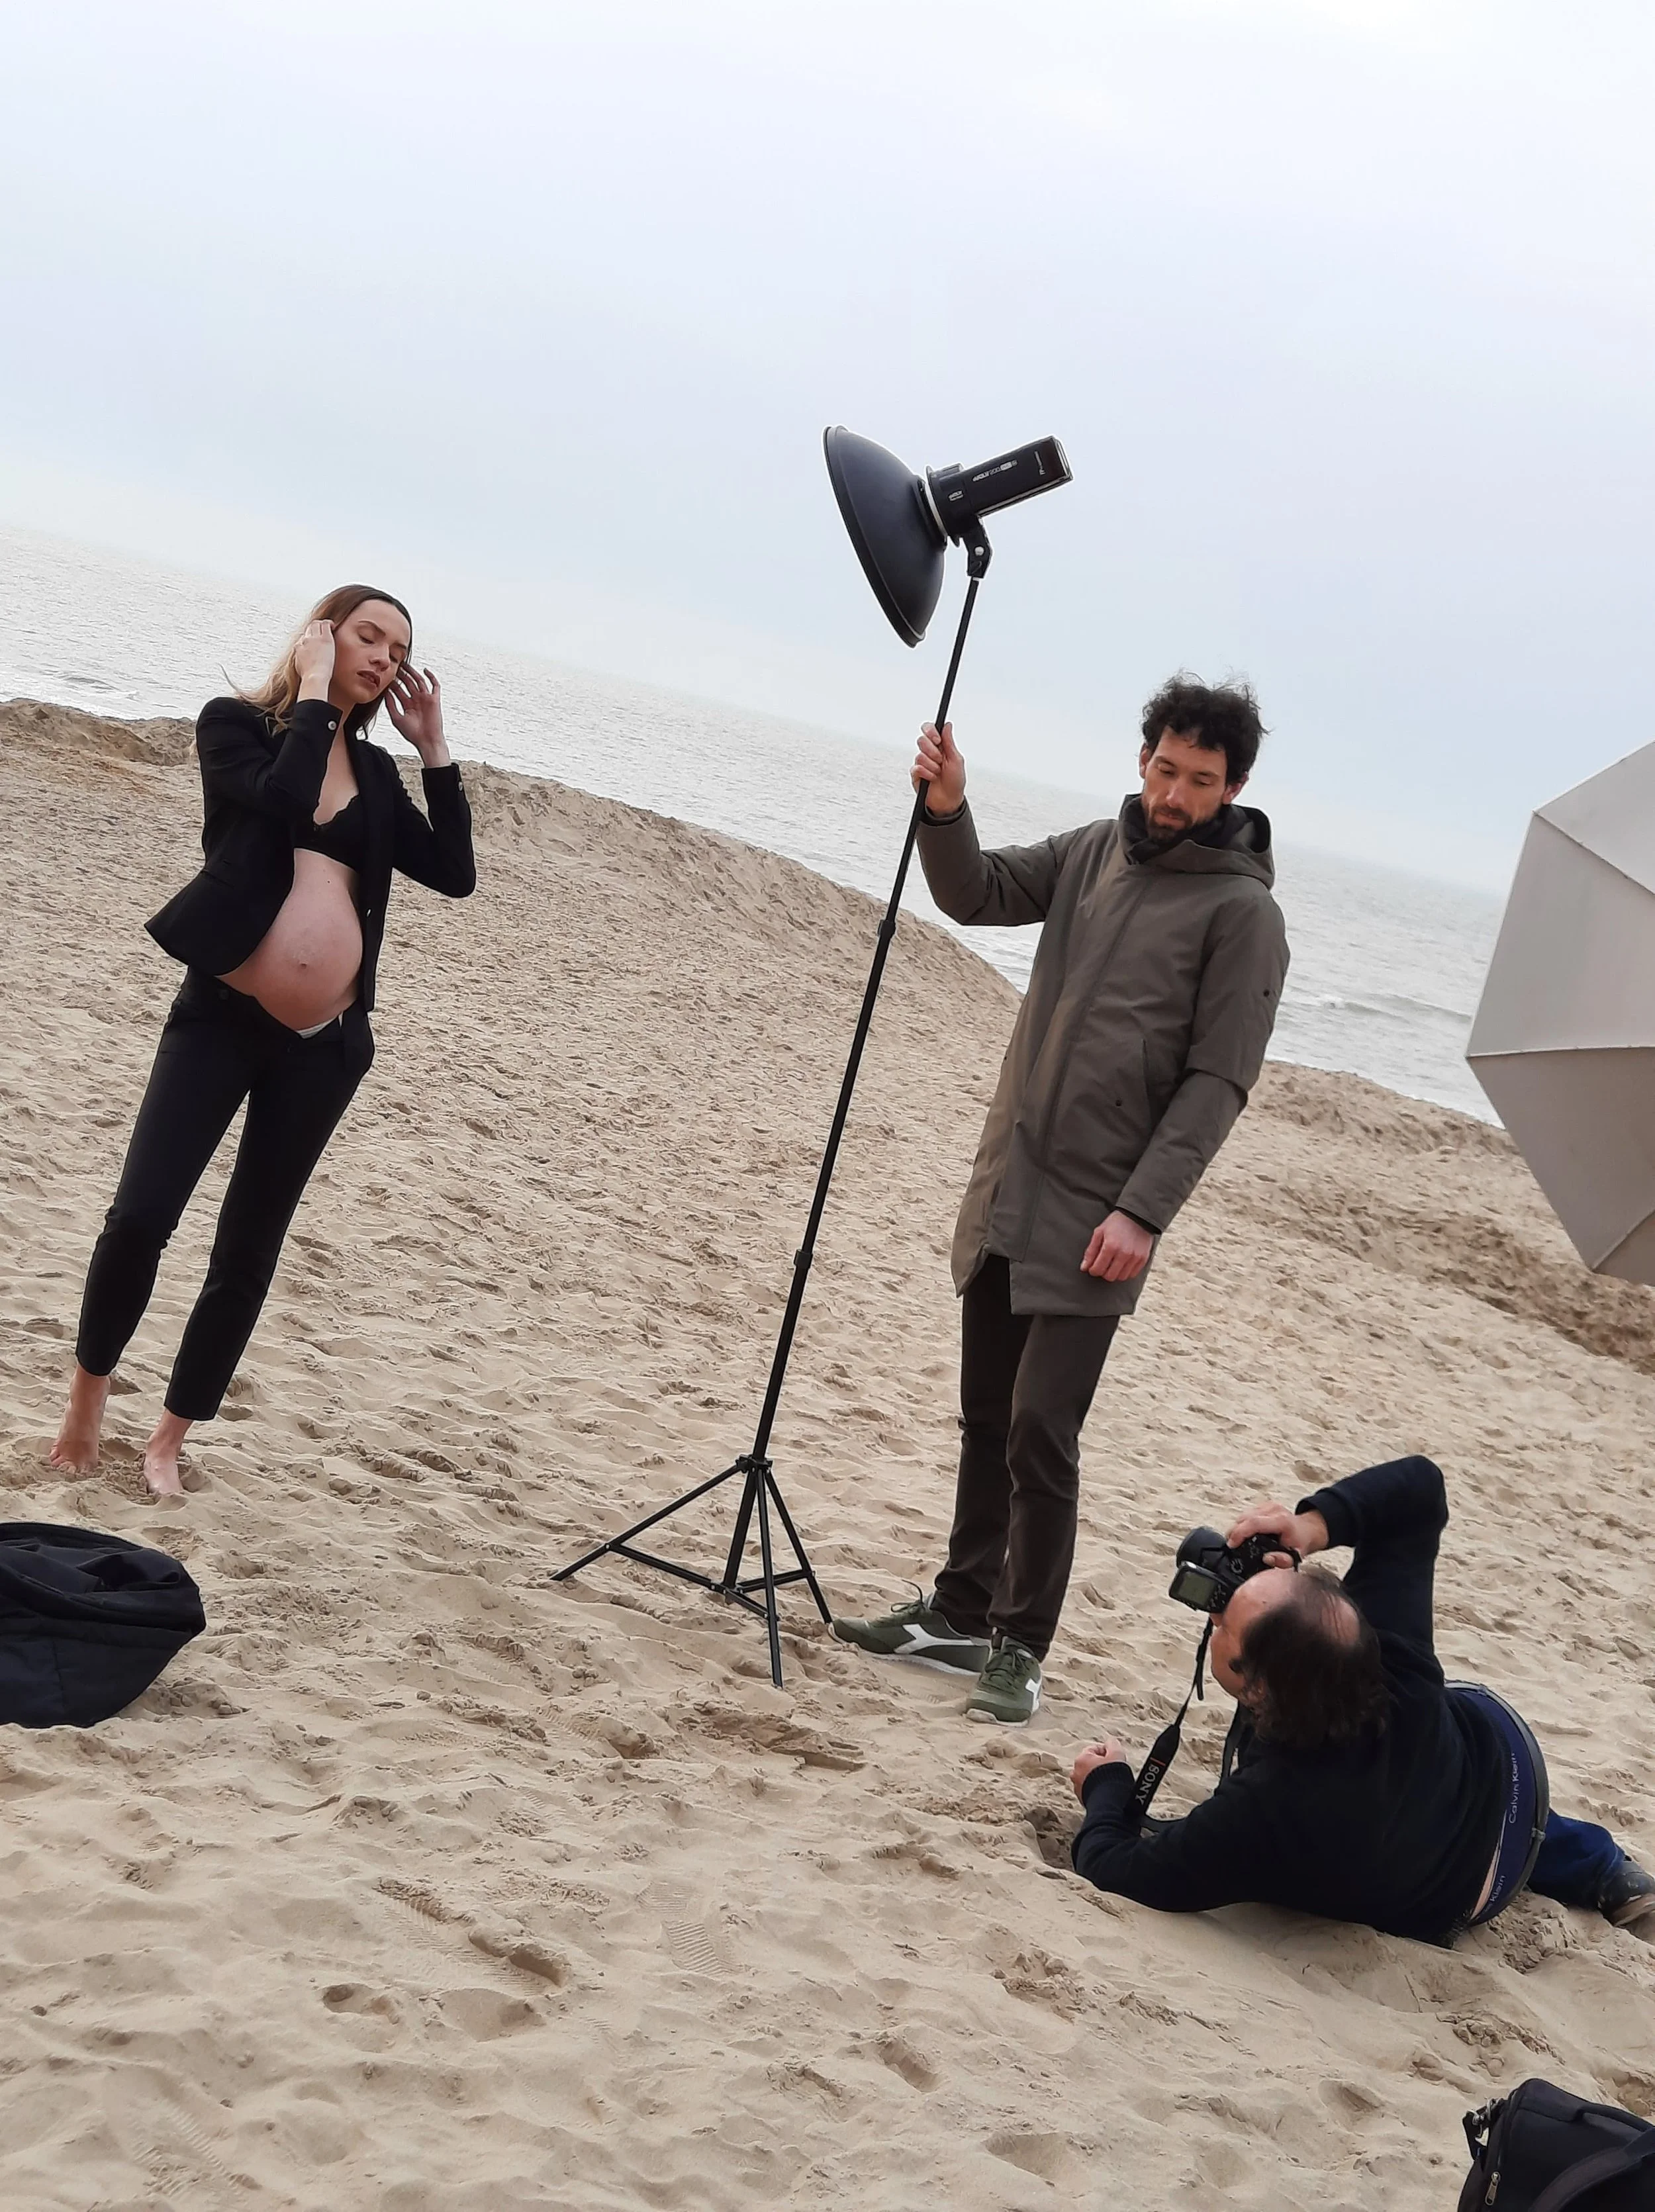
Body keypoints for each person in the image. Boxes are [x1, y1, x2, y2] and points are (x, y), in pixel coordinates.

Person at [833, 677, 1289, 1724]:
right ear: (1143, 758)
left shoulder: (1244, 914)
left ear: (1237, 787)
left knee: (1043, 1428)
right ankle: (958, 1608)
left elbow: (1217, 1083)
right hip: (1011, 1186)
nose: (1176, 795)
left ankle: (1021, 1642)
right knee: (986, 1413)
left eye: (1202, 781)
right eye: (1166, 769)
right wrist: (947, 807)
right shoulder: (1093, 849)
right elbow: (975, 891)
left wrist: (1143, 1213)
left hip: (1102, 1217)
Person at [49, 586, 476, 1498]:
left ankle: (168, 1439)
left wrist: (433, 749)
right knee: (141, 1216)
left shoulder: (381, 776)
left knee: (247, 1249)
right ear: (321, 634)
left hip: (322, 1048)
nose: (385, 659)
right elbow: (284, 797)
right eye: (370, 636)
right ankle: (87, 1397)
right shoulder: (233, 726)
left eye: (399, 650)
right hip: (218, 1019)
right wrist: (317, 694)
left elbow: (455, 874)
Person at [1068, 1454, 1655, 1945]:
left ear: (1263, 1686)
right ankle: (1603, 1866)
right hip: (1505, 1782)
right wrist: (1310, 1529)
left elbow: (1119, 1869)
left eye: (1226, 1622)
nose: (1216, 1610)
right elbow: (1421, 1486)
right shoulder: (1393, 1656)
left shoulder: (1262, 1811)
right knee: (1445, 1770)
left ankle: (1587, 1859)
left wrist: (1109, 1786)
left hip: (1450, 1900)